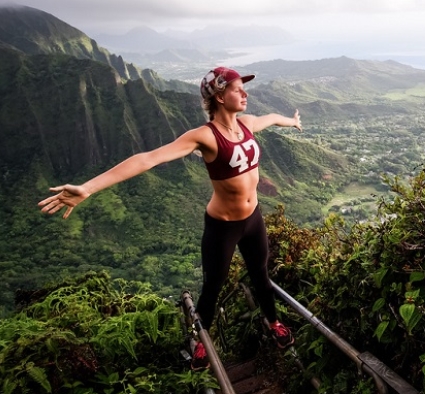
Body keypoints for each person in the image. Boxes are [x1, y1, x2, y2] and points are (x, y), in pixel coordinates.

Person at [38, 67, 300, 368]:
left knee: (260, 274)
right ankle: (201, 343)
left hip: (253, 218)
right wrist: (88, 188)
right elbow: (148, 159)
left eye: (243, 88)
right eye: (236, 88)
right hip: (223, 227)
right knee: (212, 287)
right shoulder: (205, 136)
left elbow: (273, 118)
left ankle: (274, 323)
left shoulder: (248, 124)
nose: (244, 93)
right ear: (219, 95)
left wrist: (292, 122)